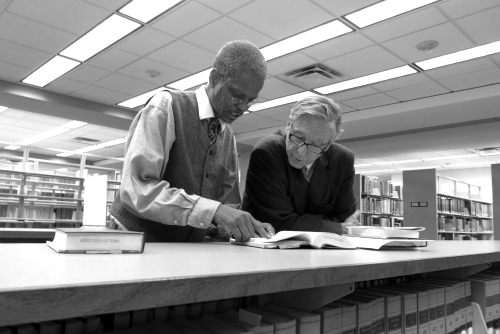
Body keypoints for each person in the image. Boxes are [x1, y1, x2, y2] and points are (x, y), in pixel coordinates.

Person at [108, 40, 274, 242]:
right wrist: (214, 212)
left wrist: (239, 226)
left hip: (183, 250)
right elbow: (138, 189)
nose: (242, 107)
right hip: (134, 241)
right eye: (237, 95)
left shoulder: (228, 137)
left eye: (250, 100)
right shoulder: (166, 107)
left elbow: (225, 205)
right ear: (214, 78)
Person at [241, 95, 359, 235]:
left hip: (324, 250)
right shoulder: (267, 151)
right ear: (288, 125)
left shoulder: (342, 159)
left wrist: (299, 221)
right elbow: (278, 222)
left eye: (315, 145)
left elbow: (346, 217)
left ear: (327, 146)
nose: (301, 152)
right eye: (298, 137)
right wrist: (336, 226)